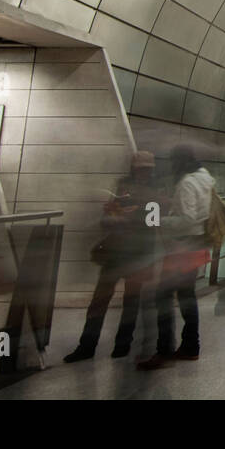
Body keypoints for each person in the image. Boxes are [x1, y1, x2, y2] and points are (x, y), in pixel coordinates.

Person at [65, 151, 158, 362]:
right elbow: (106, 219)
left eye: (146, 168)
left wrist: (135, 215)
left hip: (139, 251)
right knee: (100, 299)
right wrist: (113, 212)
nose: (142, 172)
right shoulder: (122, 186)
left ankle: (123, 344)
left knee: (131, 300)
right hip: (117, 250)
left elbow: (155, 222)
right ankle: (87, 345)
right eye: (140, 167)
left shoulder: (156, 190)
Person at [138, 146, 214, 369]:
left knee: (162, 297)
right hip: (196, 244)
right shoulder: (205, 177)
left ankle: (165, 350)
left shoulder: (188, 182)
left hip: (183, 247)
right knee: (187, 297)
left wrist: (160, 220)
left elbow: (188, 218)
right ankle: (191, 346)